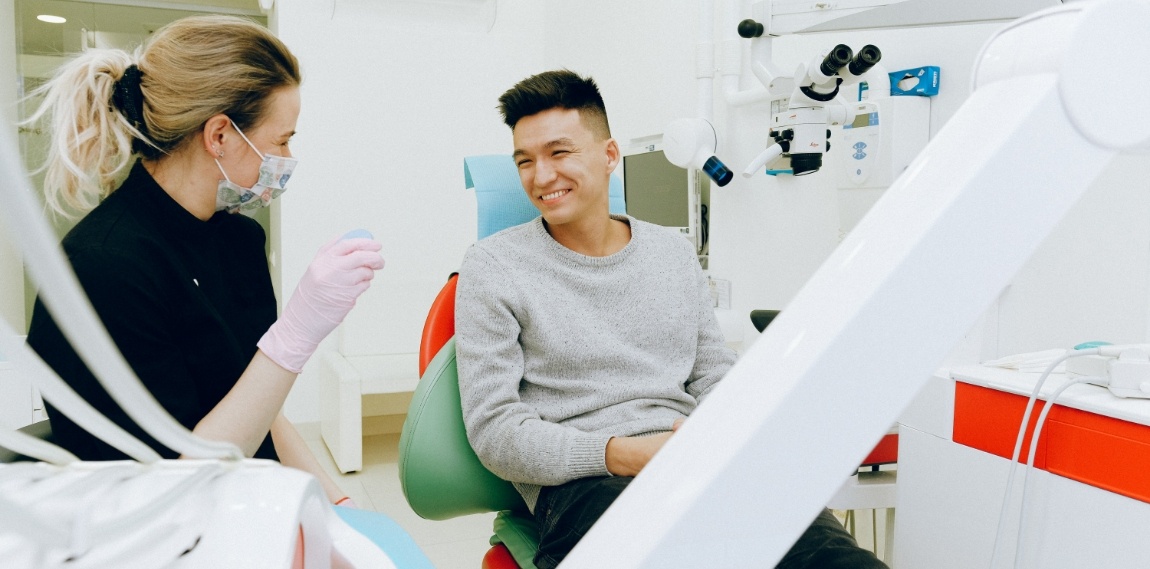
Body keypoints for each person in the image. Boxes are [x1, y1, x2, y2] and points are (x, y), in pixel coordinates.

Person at [454, 69, 888, 569]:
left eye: (559, 152)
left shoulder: (672, 253)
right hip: (585, 485)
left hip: (696, 459)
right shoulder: (494, 266)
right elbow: (494, 430)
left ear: (610, 155)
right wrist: (625, 453)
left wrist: (733, 431)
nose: (541, 176)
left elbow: (710, 372)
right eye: (525, 161)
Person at [24, 15, 383, 507]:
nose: (287, 156)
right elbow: (174, 485)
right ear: (219, 136)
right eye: (281, 140)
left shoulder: (238, 238)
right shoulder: (103, 267)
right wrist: (296, 334)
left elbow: (257, 399)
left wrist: (331, 501)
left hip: (247, 499)